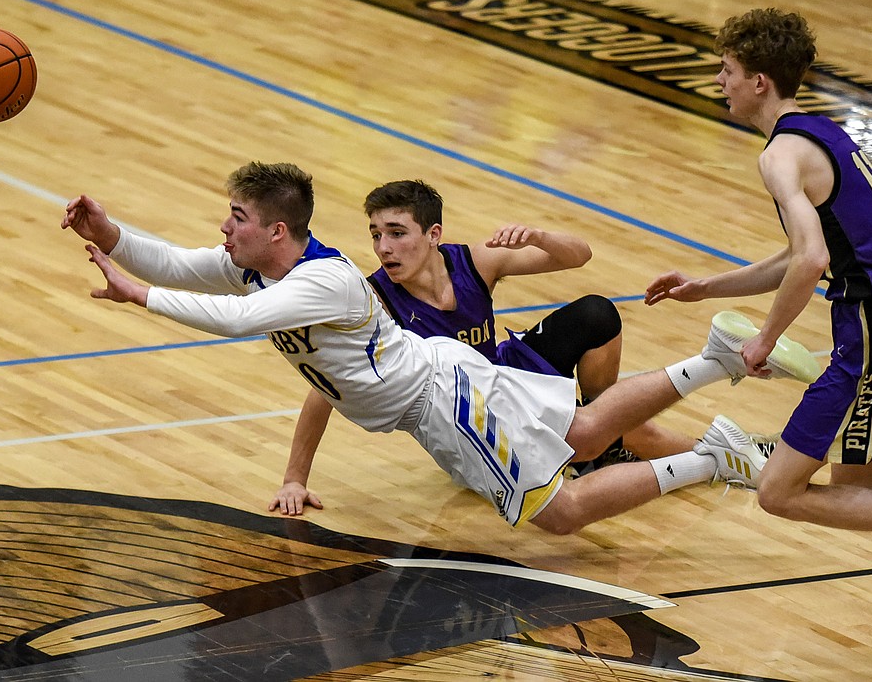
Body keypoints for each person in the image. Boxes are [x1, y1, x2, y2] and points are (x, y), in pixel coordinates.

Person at [63, 161, 815, 536]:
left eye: (235, 219)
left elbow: (228, 323)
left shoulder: (323, 282)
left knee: (560, 512)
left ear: (277, 232)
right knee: (584, 434)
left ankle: (713, 456)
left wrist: (135, 296)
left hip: (444, 401)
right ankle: (716, 360)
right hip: (450, 378)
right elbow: (177, 264)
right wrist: (109, 234)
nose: (224, 232)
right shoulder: (256, 266)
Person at [643, 8, 872, 657]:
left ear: (759, 80)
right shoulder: (818, 135)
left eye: (726, 71)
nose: (719, 81)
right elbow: (804, 252)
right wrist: (709, 286)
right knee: (854, 488)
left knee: (779, 492)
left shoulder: (780, 154)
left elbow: (812, 259)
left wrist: (762, 340)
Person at [270, 179, 697, 516]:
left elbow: (579, 256)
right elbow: (326, 387)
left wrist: (540, 235)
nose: (383, 247)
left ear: (433, 234)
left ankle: (613, 442)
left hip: (510, 376)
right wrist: (294, 479)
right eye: (376, 234)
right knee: (630, 431)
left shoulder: (475, 261)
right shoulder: (375, 301)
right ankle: (723, 453)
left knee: (597, 314)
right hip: (471, 419)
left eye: (397, 233)